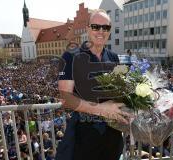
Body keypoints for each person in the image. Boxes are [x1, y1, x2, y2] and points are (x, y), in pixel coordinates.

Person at [56, 9, 133, 160]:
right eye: (96, 26)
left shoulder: (113, 57)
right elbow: (66, 98)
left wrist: (135, 105)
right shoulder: (70, 56)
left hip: (113, 136)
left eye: (106, 27)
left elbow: (119, 94)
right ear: (88, 29)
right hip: (84, 136)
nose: (101, 31)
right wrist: (102, 110)